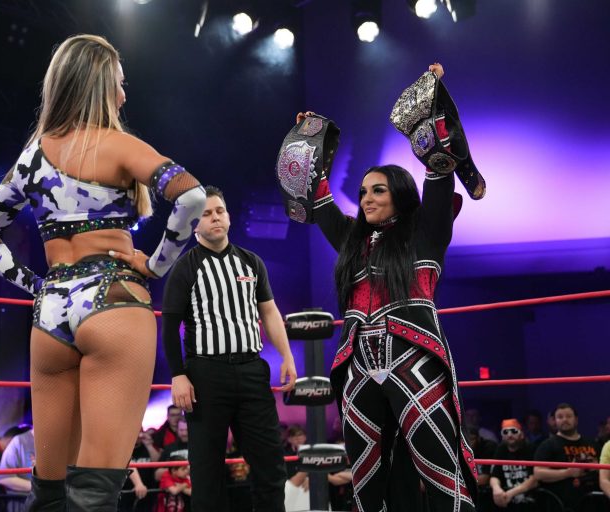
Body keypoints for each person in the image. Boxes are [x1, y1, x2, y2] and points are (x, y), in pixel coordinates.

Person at [0, 34, 206, 511]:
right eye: (119, 83)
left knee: (48, 493)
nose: (124, 96)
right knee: (94, 493)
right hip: (114, 301)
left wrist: (37, 285)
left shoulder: (32, 157)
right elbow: (192, 196)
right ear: (98, 85)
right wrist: (156, 263)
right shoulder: (118, 145)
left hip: (51, 315)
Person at [289, 63, 477, 512]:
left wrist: (433, 101)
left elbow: (439, 166)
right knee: (368, 482)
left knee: (441, 472)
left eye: (377, 190)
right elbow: (316, 196)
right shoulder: (352, 241)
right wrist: (307, 143)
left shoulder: (426, 231)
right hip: (358, 365)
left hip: (413, 359)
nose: (367, 198)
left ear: (399, 193)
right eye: (363, 192)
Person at [162, 186, 297, 511]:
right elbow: (169, 326)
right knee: (206, 473)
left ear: (229, 216)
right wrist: (178, 375)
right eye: (206, 214)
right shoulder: (185, 267)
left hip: (252, 371)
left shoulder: (251, 262)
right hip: (206, 376)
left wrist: (287, 356)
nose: (215, 218)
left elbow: (270, 312)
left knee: (271, 465)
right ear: (195, 224)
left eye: (219, 211)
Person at [533, 403, 600, 511]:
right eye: (560, 417)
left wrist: (597, 467)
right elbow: (538, 473)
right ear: (555, 421)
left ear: (576, 420)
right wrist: (568, 472)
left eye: (568, 416)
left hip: (593, 502)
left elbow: (604, 468)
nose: (564, 420)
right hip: (561, 504)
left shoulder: (592, 443)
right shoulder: (547, 445)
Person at [489, 419, 538, 511]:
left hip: (530, 503)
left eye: (514, 431)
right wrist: (497, 490)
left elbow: (535, 479)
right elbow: (494, 476)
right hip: (506, 502)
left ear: (521, 434)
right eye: (505, 432)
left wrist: (511, 493)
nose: (509, 435)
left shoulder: (530, 448)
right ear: (502, 436)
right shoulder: (500, 449)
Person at [0, 429, 36, 511]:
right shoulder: (19, 441)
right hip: (22, 504)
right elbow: (3, 478)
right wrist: (38, 487)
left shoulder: (58, 441)